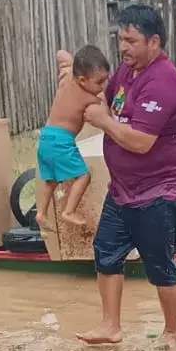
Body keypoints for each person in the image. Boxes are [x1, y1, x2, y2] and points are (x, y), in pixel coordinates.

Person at [77, 4, 176, 348]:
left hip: (158, 192)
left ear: (154, 42)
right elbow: (107, 105)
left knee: (160, 265)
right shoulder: (126, 73)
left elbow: (140, 142)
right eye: (120, 39)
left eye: (131, 40)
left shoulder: (165, 81)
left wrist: (104, 122)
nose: (123, 48)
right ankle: (111, 326)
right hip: (122, 188)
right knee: (106, 253)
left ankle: (171, 332)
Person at [35, 45, 111, 228]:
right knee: (83, 176)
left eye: (106, 80)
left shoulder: (66, 79)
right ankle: (69, 211)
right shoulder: (88, 97)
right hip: (62, 141)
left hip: (45, 138)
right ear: (83, 80)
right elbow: (105, 110)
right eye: (100, 82)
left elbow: (60, 53)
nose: (104, 86)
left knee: (51, 180)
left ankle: (41, 213)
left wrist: (68, 65)